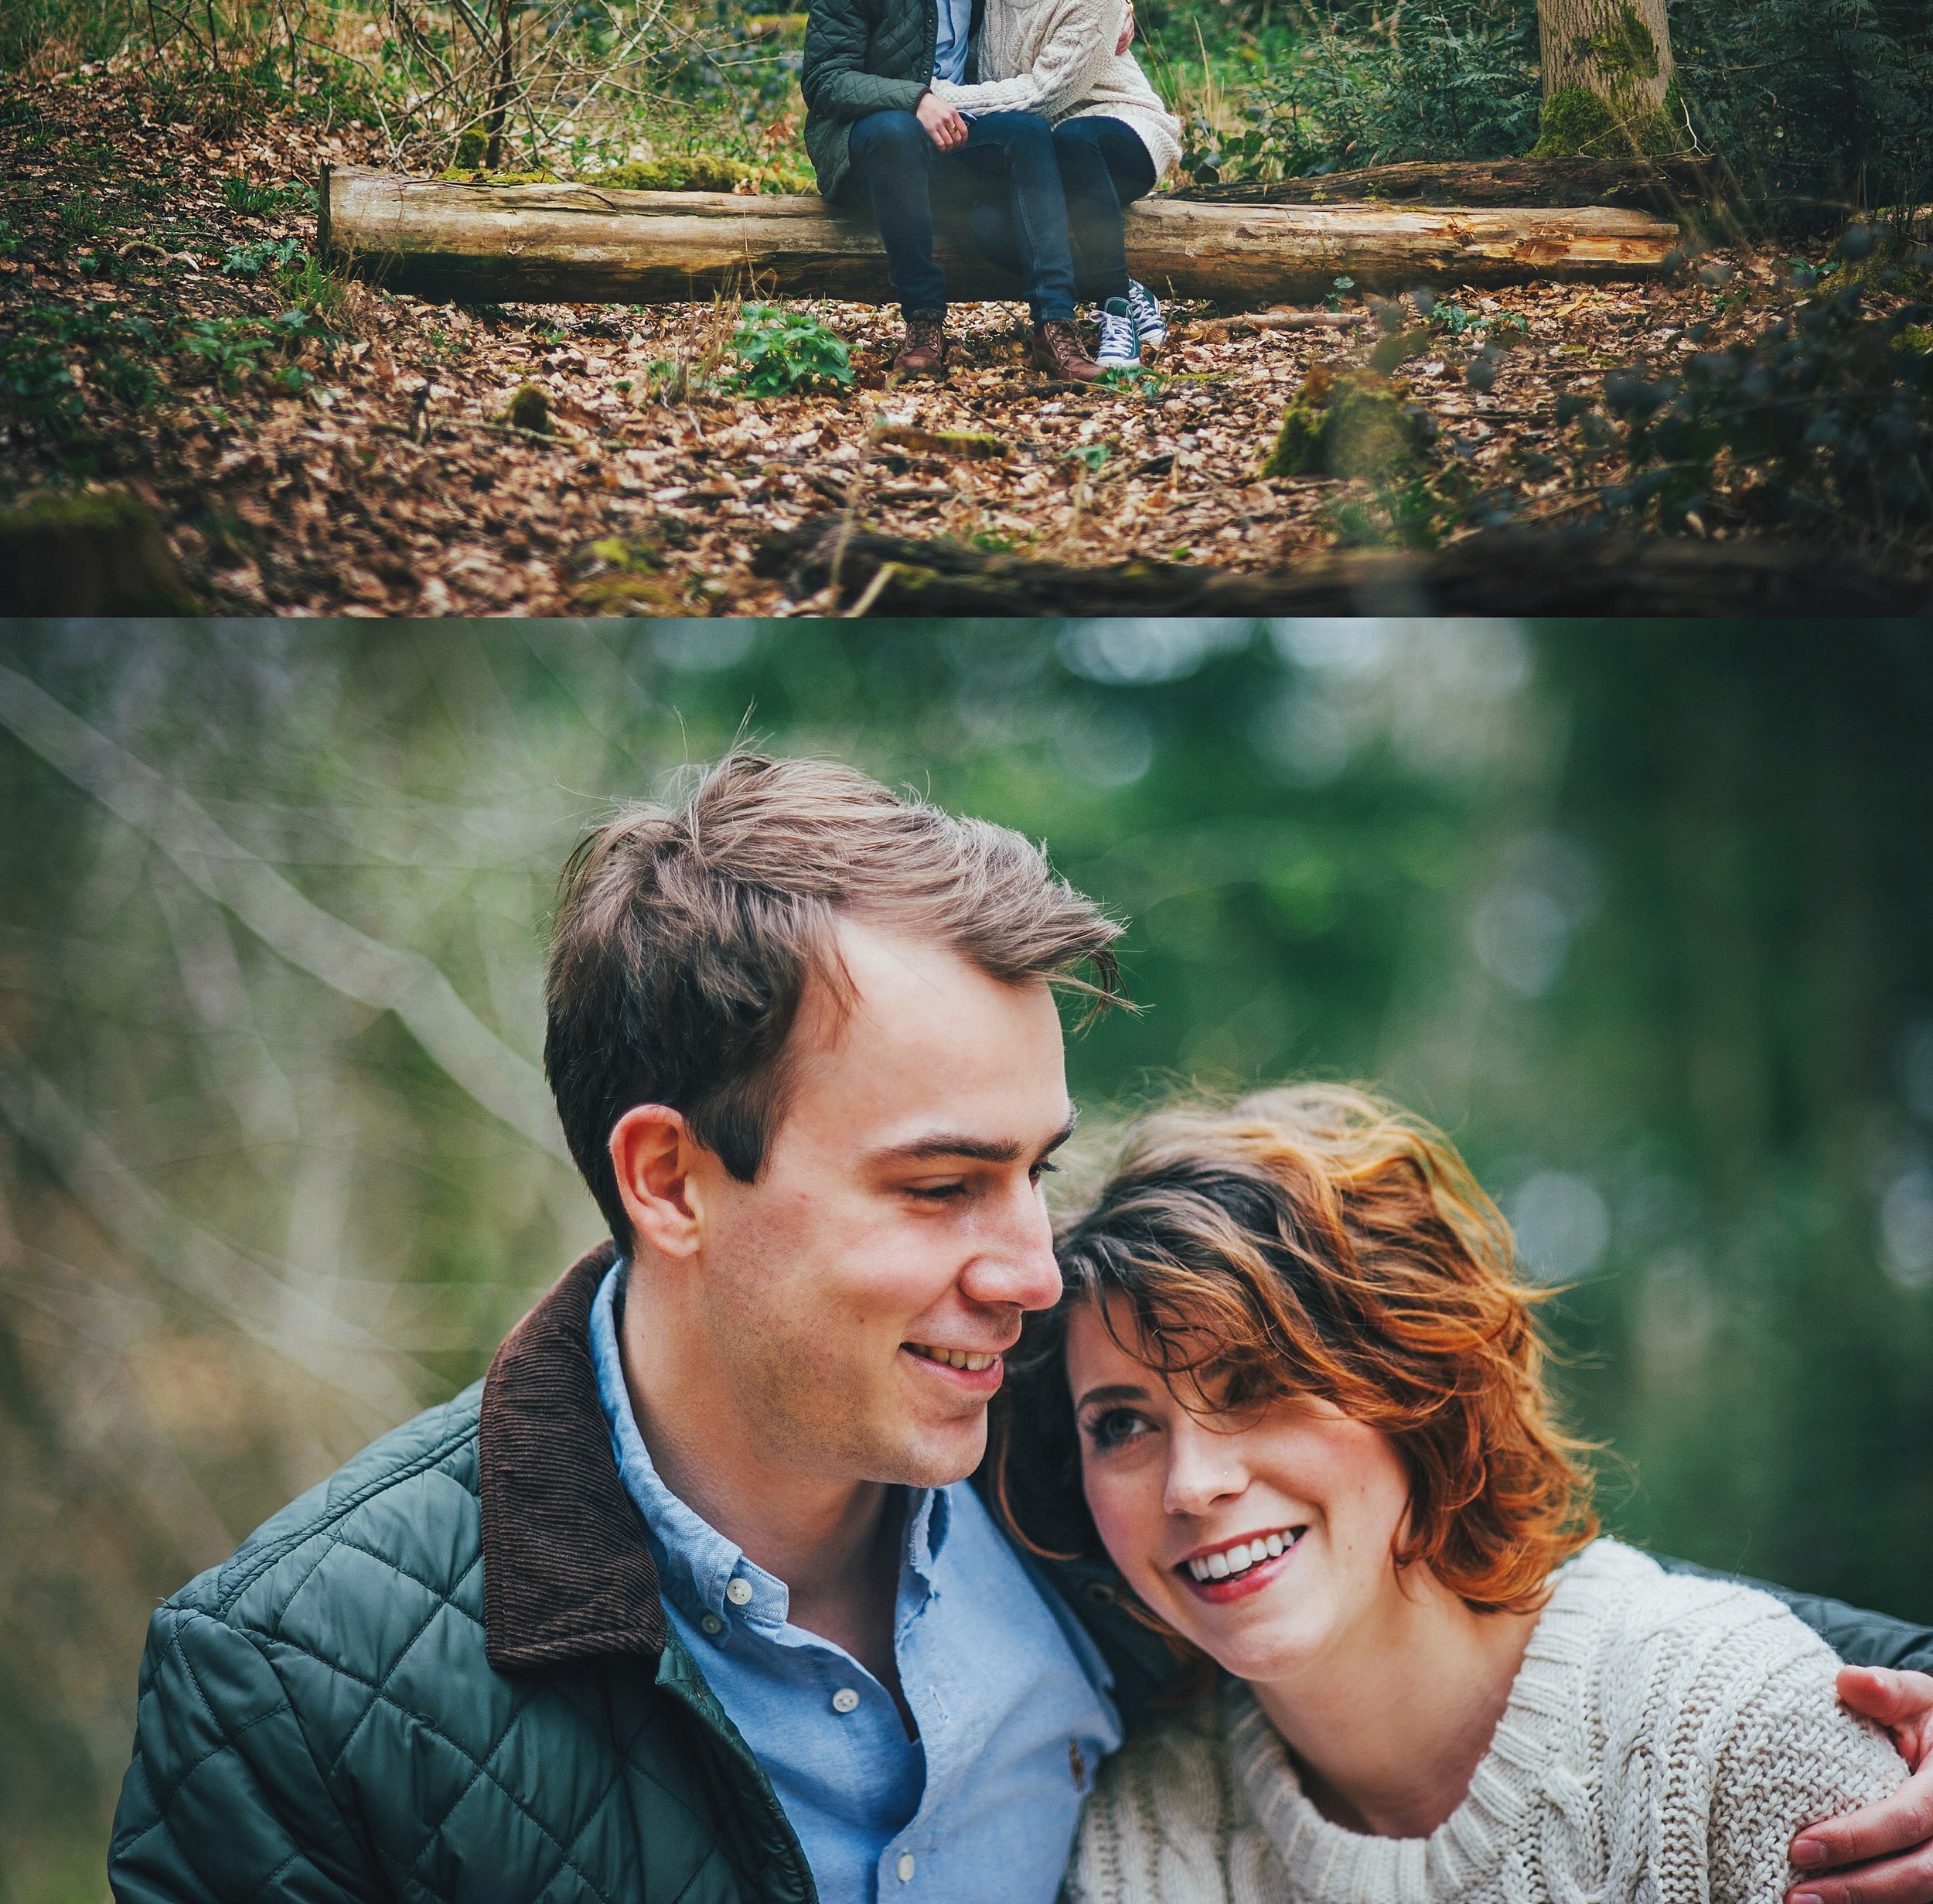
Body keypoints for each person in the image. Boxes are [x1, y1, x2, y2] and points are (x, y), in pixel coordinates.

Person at [110, 760, 1933, 1904]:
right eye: (937, 1184)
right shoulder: (294, 1690)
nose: (1036, 1270)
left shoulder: (1094, 1466)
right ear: (670, 1180)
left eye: (1036, 1171)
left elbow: (1533, 1629)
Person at [992, 1084, 1933, 1904]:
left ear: (1413, 1390)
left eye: (1254, 1386)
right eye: (1120, 1424)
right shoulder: (1139, 1847)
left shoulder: (1731, 1731)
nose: (1192, 1484)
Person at [802, 0, 1122, 386]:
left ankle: (1054, 325)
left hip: (958, 136)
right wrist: (915, 97)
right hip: (870, 147)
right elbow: (824, 80)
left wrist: (1119, 10)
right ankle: (924, 320)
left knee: (1027, 131)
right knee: (895, 131)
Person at [927, 0, 1182, 374]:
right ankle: (1127, 287)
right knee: (991, 224)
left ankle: (1113, 306)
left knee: (1073, 137)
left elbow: (1045, 95)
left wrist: (933, 96)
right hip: (1036, 145)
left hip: (1117, 129)